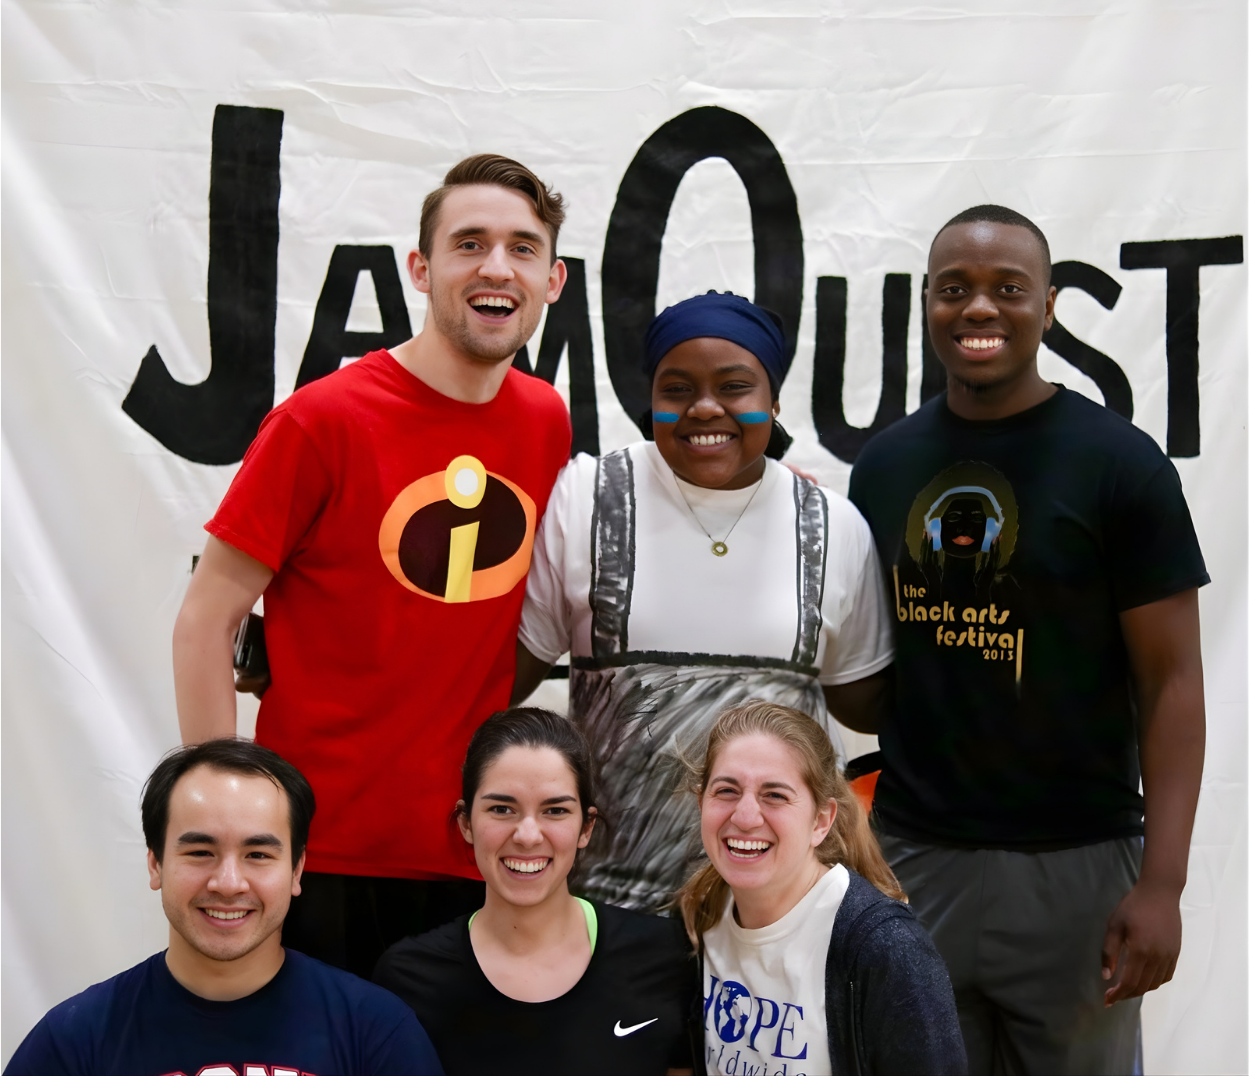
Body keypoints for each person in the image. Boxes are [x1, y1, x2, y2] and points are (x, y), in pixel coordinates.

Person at [172, 154, 574, 976]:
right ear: (421, 270)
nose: (497, 267)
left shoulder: (545, 420)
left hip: (479, 852)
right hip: (318, 854)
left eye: (522, 248)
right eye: (469, 244)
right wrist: (227, 825)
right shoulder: (323, 421)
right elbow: (206, 620)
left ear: (553, 280)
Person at [848, 205, 1208, 1074]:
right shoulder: (886, 466)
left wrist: (1162, 884)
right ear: (925, 305)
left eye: (1008, 289)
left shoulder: (1120, 463)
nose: (979, 309)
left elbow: (1173, 683)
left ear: (1048, 307)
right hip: (917, 857)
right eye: (954, 290)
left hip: (1078, 867)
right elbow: (867, 671)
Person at [512, 291, 895, 912]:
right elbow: (502, 678)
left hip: (779, 908)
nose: (705, 407)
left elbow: (866, 703)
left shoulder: (830, 525)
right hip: (611, 904)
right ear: (652, 402)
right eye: (678, 388)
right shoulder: (585, 497)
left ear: (773, 402)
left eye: (735, 387)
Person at [5, 739, 442, 1076]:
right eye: (200, 852)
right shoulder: (77, 1039)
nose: (228, 883)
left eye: (257, 855)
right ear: (155, 863)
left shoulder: (376, 1032)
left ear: (296, 870)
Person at [373, 708, 697, 1075]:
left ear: (586, 827)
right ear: (466, 823)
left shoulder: (663, 955)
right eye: (501, 808)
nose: (527, 835)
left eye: (555, 811)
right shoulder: (409, 977)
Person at [679, 700, 966, 1075]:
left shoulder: (885, 949)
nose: (745, 816)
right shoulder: (700, 914)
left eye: (775, 795)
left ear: (821, 821)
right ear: (702, 802)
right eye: (727, 791)